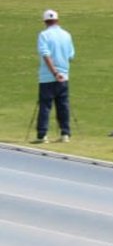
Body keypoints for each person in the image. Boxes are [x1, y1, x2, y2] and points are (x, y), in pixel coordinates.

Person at [34, 9, 75, 144]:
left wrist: (54, 72)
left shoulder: (44, 35)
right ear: (57, 20)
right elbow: (70, 56)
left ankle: (42, 135)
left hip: (47, 77)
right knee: (63, 105)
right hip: (64, 77)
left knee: (45, 106)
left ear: (45, 22)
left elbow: (46, 55)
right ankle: (65, 134)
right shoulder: (67, 35)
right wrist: (61, 72)